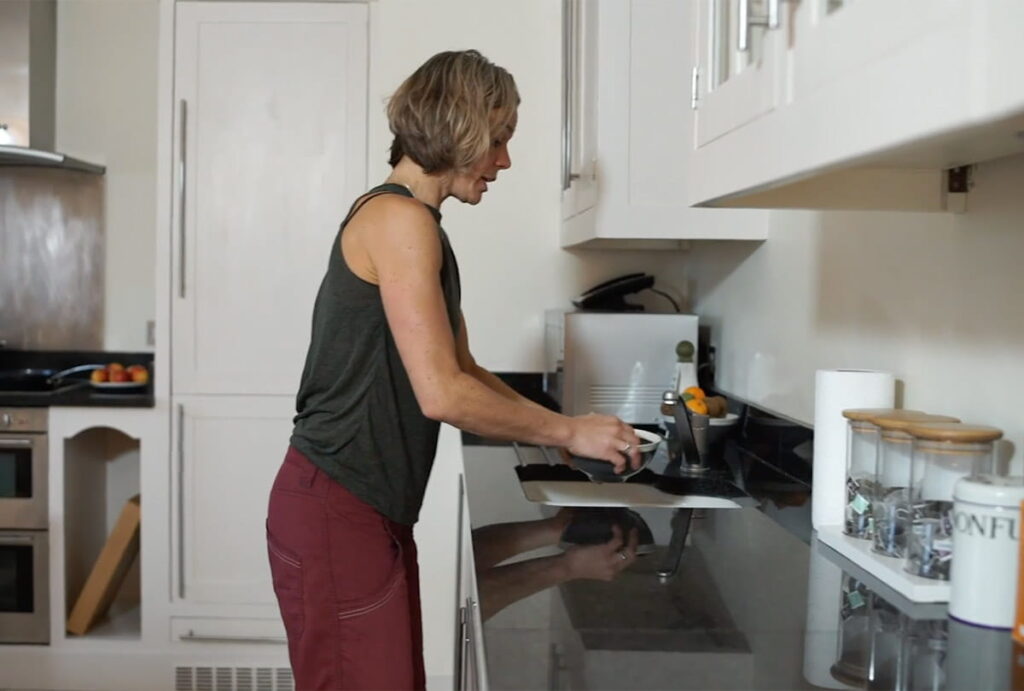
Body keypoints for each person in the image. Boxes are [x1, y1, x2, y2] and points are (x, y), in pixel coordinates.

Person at [265, 49, 642, 691]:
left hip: (358, 506)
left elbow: (463, 369)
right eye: (498, 140)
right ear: (459, 127)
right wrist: (568, 433)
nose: (504, 160)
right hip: (337, 506)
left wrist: (559, 431)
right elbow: (441, 394)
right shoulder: (400, 221)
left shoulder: (419, 226)